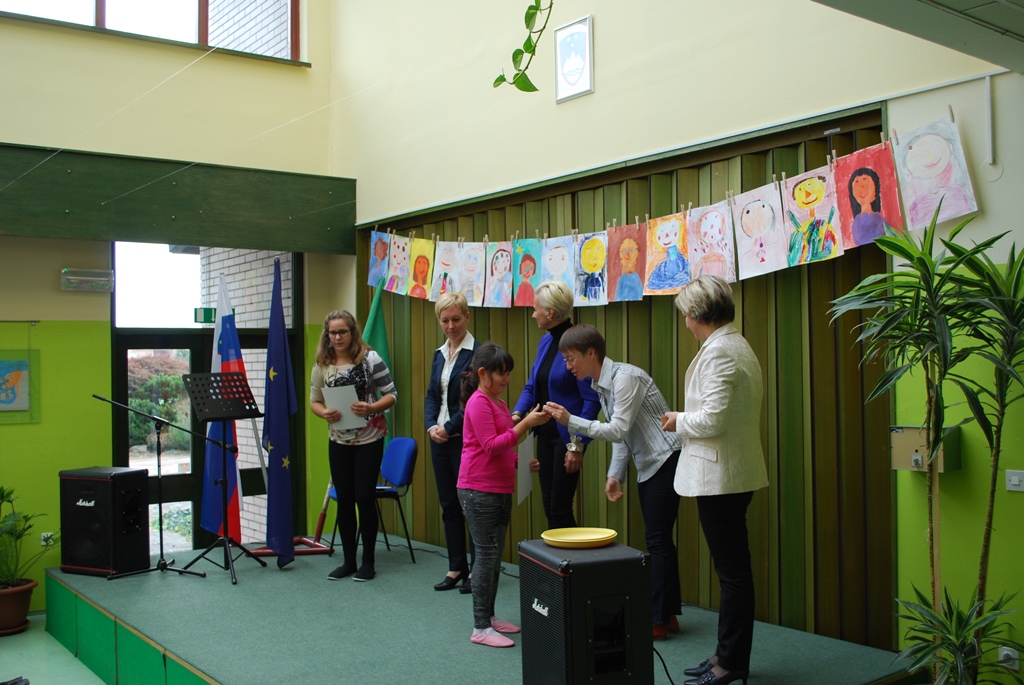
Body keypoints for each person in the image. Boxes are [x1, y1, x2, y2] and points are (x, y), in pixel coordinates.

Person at [543, 324, 683, 641]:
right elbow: (623, 435)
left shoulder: (625, 378)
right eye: (565, 360)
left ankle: (658, 619)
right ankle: (667, 615)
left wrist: (570, 420)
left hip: (666, 459)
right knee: (659, 539)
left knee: (658, 540)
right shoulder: (601, 384)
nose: (568, 366)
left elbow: (618, 429)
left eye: (571, 358)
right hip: (651, 463)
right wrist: (614, 475)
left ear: (591, 353)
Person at [664, 275, 768, 685]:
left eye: (686, 315)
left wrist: (677, 420)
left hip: (721, 477)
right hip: (732, 472)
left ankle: (730, 664)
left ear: (697, 313)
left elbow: (712, 420)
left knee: (733, 575)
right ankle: (726, 656)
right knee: (733, 573)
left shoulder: (720, 351)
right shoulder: (733, 343)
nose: (685, 323)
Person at [458, 342, 550, 648]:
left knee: (494, 555)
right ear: (483, 373)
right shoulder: (478, 402)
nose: (507, 379)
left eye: (509, 373)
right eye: (502, 374)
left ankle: (489, 616)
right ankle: (480, 626)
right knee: (486, 555)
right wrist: (526, 423)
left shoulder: (496, 402)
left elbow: (502, 449)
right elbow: (490, 446)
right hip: (478, 488)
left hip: (498, 487)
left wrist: (521, 462)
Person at [309, 310, 397, 583]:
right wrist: (324, 413)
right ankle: (349, 561)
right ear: (327, 335)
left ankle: (368, 563)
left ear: (352, 332)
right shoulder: (322, 365)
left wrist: (371, 407)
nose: (337, 337)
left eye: (342, 332)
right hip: (339, 440)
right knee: (345, 499)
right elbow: (315, 401)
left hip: (369, 439)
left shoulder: (370, 359)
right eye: (332, 333)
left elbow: (392, 395)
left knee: (364, 498)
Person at [512, 281, 600, 530]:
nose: (533, 314)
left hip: (567, 439)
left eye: (535, 309)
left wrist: (577, 445)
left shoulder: (576, 344)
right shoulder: (545, 342)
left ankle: (574, 557)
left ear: (550, 312)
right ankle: (556, 557)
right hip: (544, 435)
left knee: (560, 509)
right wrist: (517, 414)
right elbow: (532, 385)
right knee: (549, 507)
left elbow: (591, 401)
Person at [425, 292, 479, 593]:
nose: (450, 326)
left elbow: (471, 401)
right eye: (444, 320)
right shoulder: (439, 354)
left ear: (467, 317)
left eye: (456, 319)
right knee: (448, 504)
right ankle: (456, 566)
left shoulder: (478, 354)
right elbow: (432, 394)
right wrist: (431, 426)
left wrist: (447, 427)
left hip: (465, 441)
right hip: (440, 440)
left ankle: (477, 570)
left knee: (469, 506)